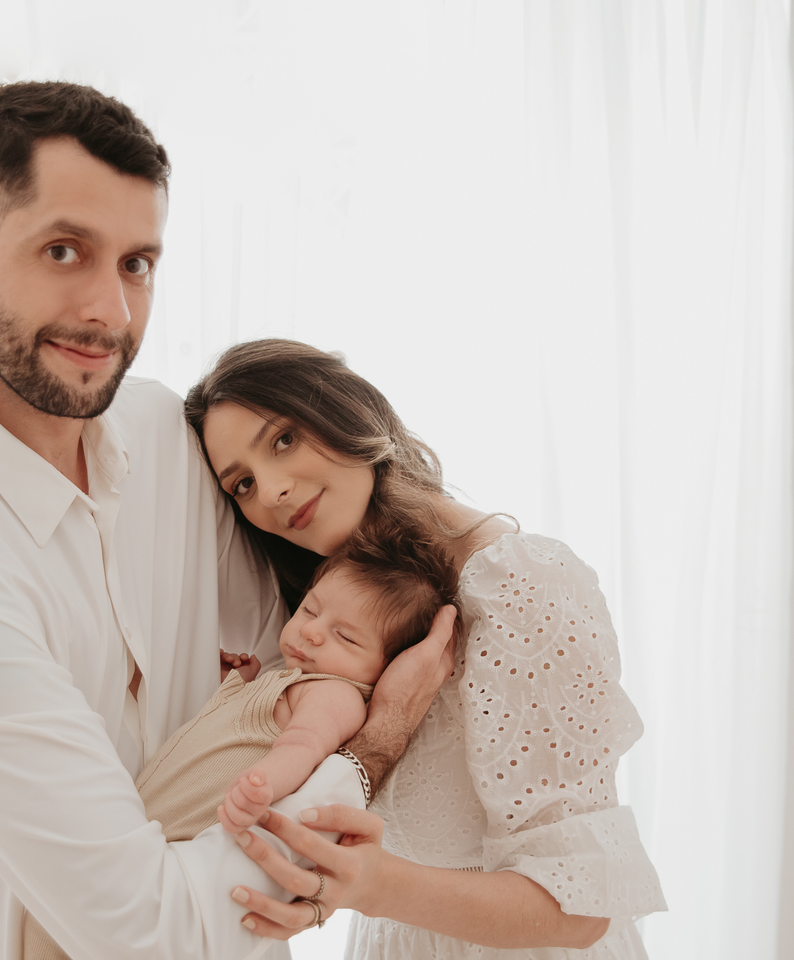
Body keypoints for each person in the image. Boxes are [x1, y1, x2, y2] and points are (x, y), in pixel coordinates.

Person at [0, 82, 454, 960]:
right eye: (63, 250)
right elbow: (152, 935)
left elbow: (312, 640)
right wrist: (368, 749)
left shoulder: (169, 436)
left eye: (137, 263)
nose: (111, 313)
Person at [183, 339, 668, 958]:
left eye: (283, 440)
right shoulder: (320, 612)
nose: (272, 490)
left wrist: (372, 884)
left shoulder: (522, 583)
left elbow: (583, 906)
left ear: (348, 412)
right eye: (242, 484)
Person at [25, 530, 458, 960]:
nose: (311, 632)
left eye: (345, 637)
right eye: (310, 609)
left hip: (181, 844)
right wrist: (238, 685)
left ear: (387, 668)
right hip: (147, 834)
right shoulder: (287, 681)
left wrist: (263, 785)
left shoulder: (335, 694)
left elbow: (302, 746)